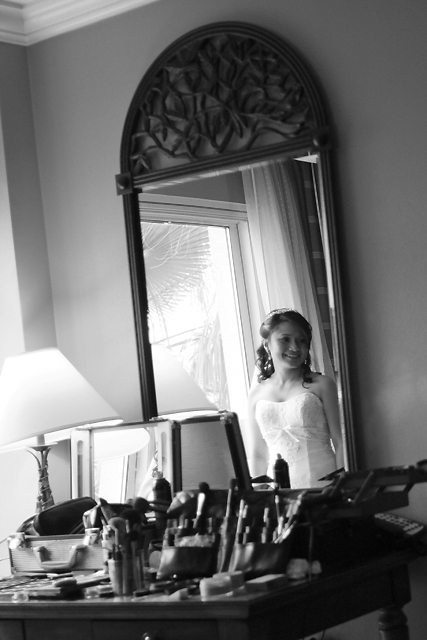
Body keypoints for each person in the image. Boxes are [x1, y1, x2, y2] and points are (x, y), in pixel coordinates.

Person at [247, 308, 344, 488]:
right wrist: (259, 494)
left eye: (302, 341)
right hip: (277, 492)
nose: (294, 348)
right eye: (285, 339)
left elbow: (340, 442)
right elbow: (258, 454)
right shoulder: (256, 395)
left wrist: (341, 487)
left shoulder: (323, 385)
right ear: (267, 344)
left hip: (323, 486)